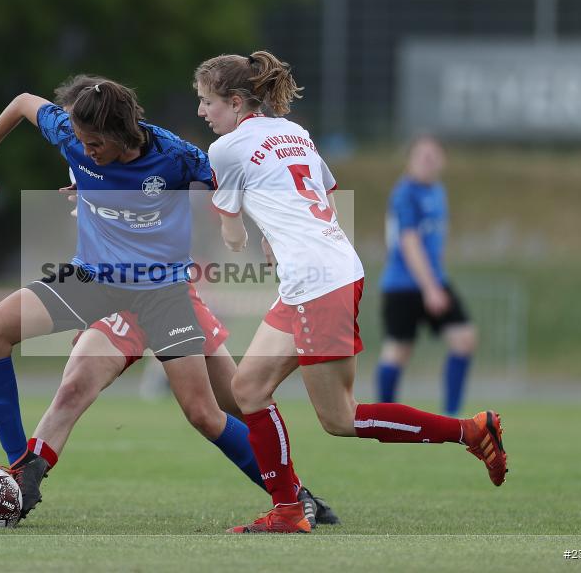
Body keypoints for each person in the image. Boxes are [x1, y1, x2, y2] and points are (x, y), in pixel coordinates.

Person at [0, 71, 339, 529]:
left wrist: (270, 231)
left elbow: (233, 183)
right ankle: (22, 478)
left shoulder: (173, 155)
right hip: (108, 293)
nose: (83, 147)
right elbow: (27, 107)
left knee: (220, 405)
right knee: (74, 388)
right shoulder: (75, 141)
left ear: (116, 130)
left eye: (92, 140)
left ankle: (294, 496)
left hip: (168, 293)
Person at [194, 50, 507, 534]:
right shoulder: (294, 132)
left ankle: (469, 431)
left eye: (207, 102)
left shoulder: (226, 150)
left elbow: (232, 235)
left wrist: (251, 236)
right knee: (248, 390)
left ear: (235, 103)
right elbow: (324, 197)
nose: (202, 112)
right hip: (326, 270)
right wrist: (279, 236)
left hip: (317, 281)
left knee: (339, 417)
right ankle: (288, 509)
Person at [374, 136, 478, 415]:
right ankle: (385, 416)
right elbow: (409, 241)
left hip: (434, 278)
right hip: (404, 285)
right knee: (398, 349)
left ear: (442, 160)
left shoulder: (437, 191)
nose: (428, 161)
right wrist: (431, 288)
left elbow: (434, 239)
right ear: (410, 160)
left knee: (464, 339)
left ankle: (452, 416)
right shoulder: (405, 193)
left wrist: (437, 275)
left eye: (433, 156)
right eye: (422, 156)